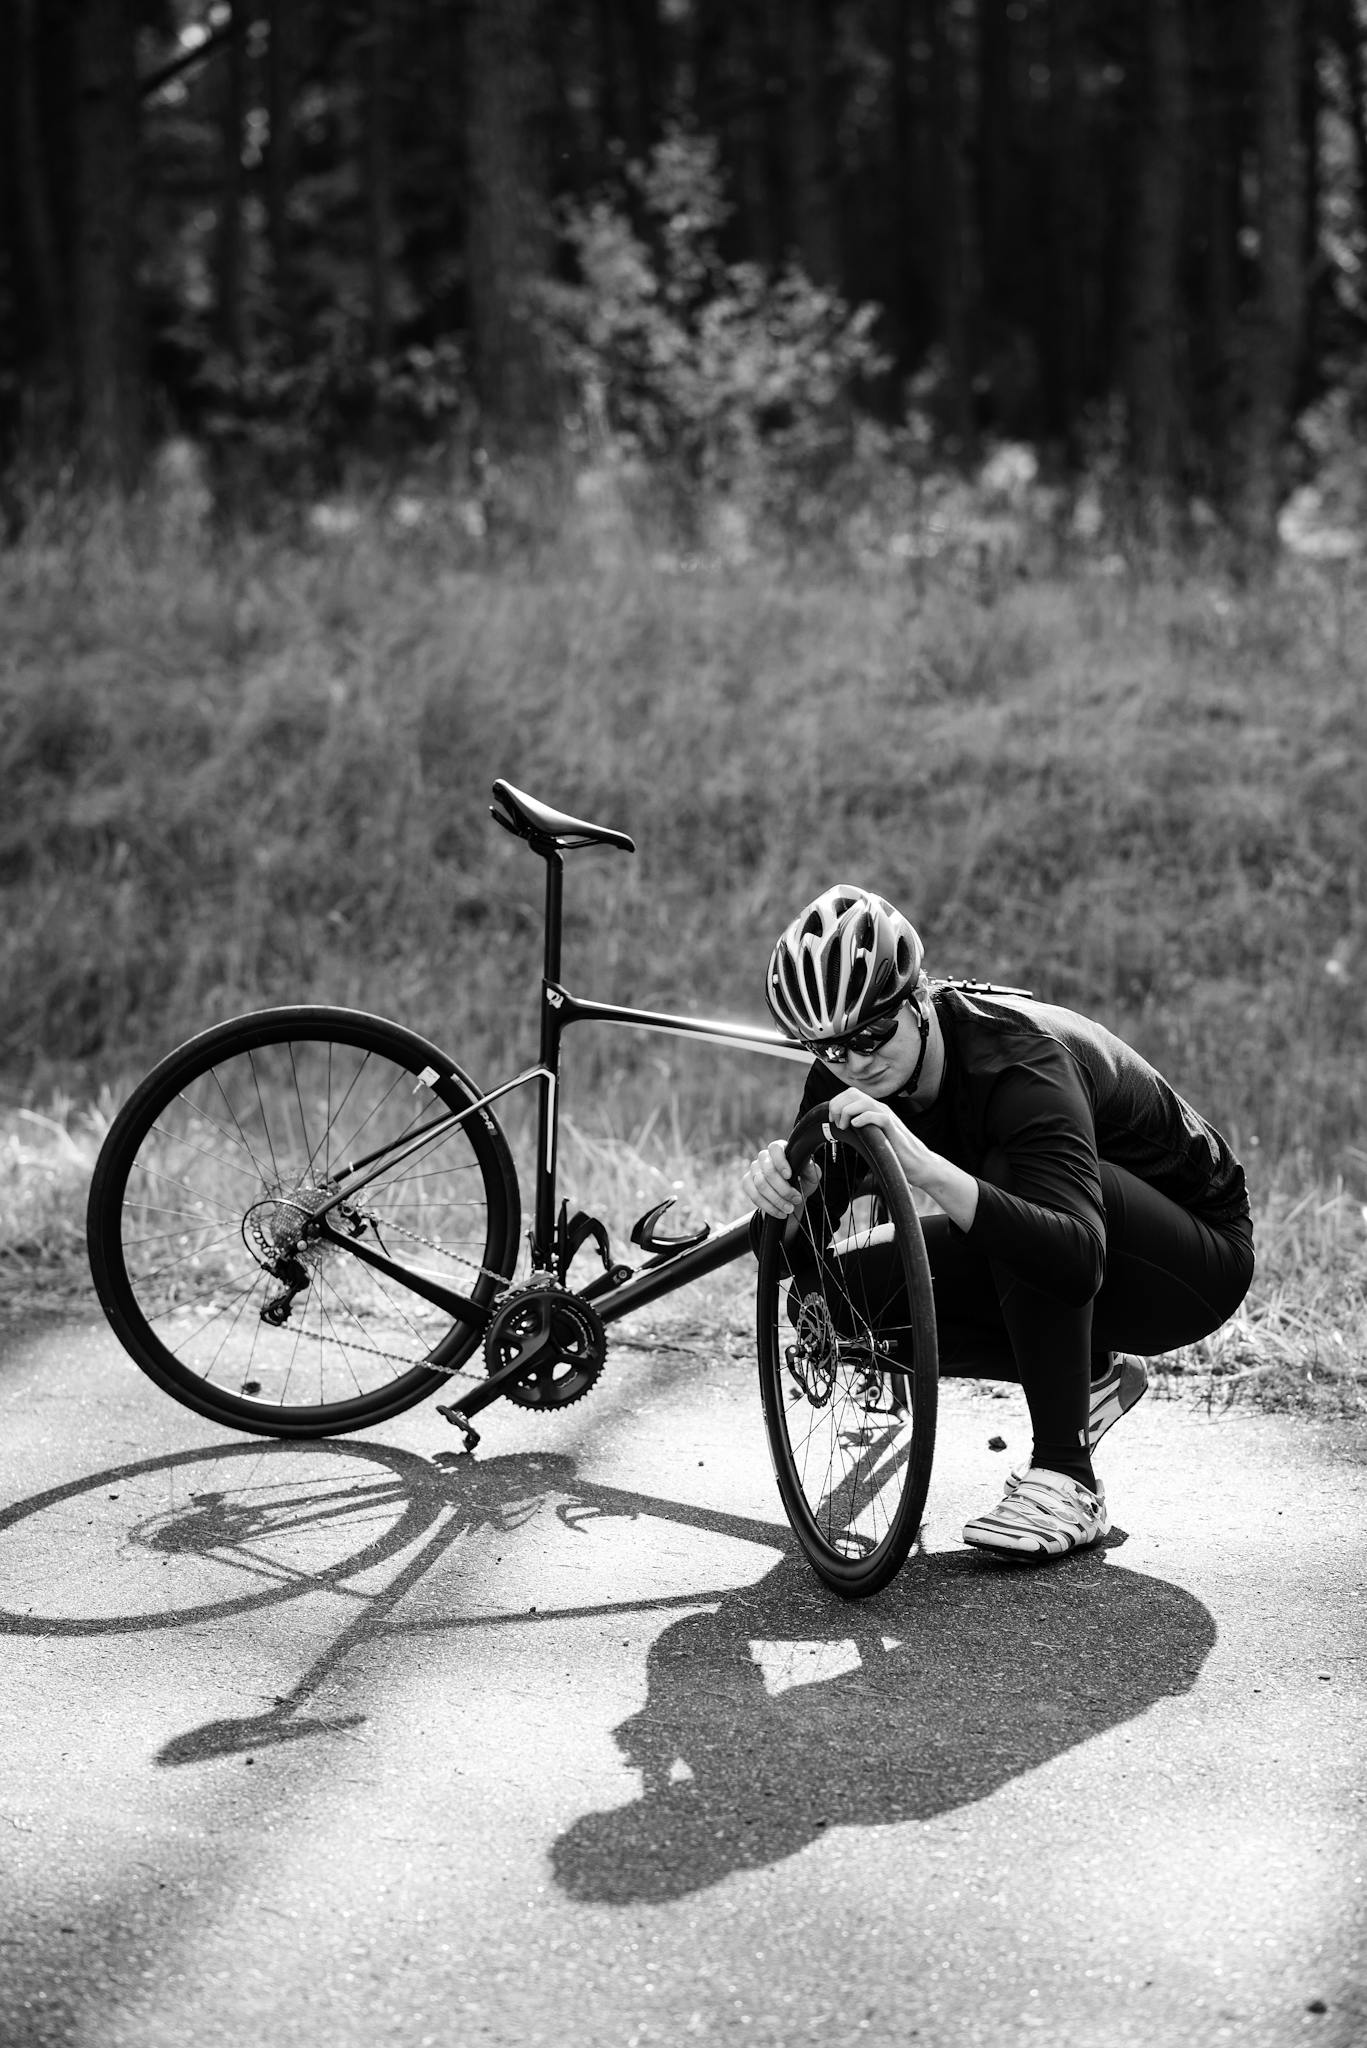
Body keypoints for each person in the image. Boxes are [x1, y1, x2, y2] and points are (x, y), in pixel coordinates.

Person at [741, 885, 1255, 1560]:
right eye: (827, 1049)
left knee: (1009, 1176)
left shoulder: (1017, 1062)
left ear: (917, 1001)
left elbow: (1075, 1259)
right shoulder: (844, 1074)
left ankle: (1065, 1478)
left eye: (870, 1035)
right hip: (1052, 1244)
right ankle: (1090, 1378)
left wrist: (925, 1169)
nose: (854, 1062)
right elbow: (790, 1260)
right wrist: (783, 1201)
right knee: (828, 1304)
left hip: (1188, 1262)